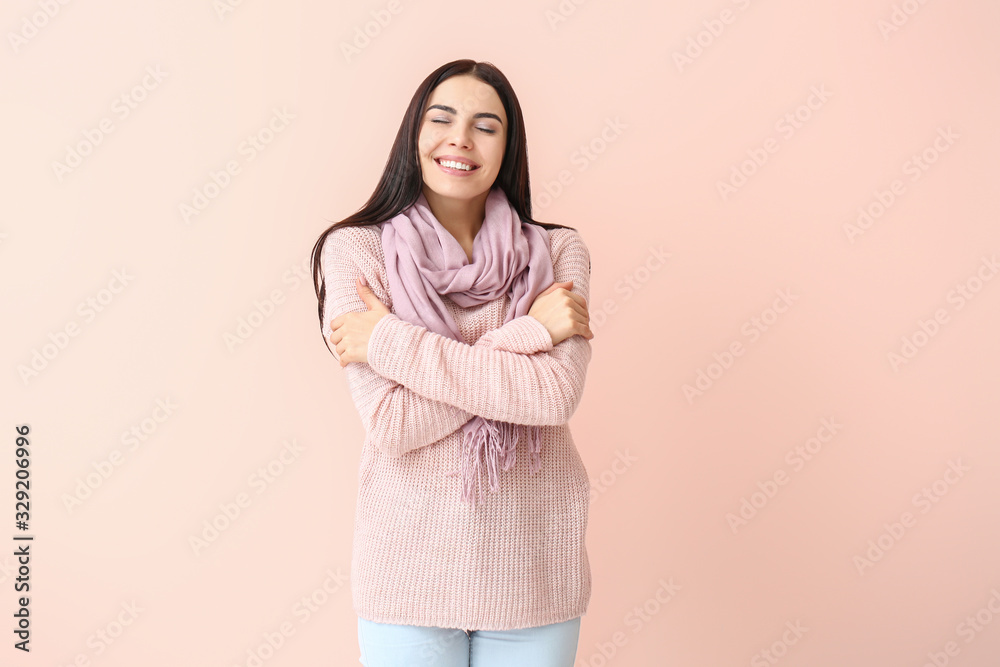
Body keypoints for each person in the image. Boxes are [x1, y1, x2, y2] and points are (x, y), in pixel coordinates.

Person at [309, 58, 595, 667]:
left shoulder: (558, 250)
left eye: (485, 125)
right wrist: (527, 335)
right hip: (406, 578)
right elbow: (394, 424)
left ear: (507, 147)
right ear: (415, 136)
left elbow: (552, 397)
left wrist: (389, 341)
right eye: (442, 119)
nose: (460, 139)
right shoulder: (357, 250)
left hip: (534, 572)